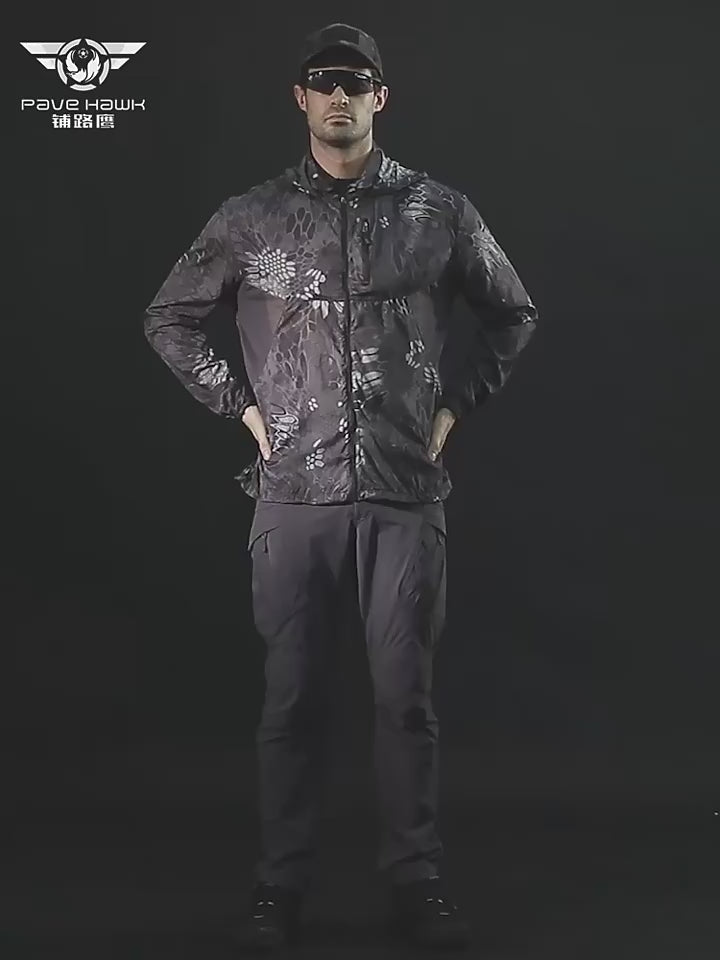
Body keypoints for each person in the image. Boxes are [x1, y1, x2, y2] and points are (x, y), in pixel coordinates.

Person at [144, 21, 538, 951]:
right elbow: (169, 317)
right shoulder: (252, 217)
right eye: (324, 81)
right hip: (293, 494)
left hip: (404, 492)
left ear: (379, 97)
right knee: (291, 700)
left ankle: (417, 881)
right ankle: (278, 887)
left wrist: (451, 410)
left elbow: (512, 312)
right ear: (301, 98)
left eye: (356, 82)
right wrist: (243, 409)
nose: (339, 95)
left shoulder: (438, 211)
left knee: (406, 699)